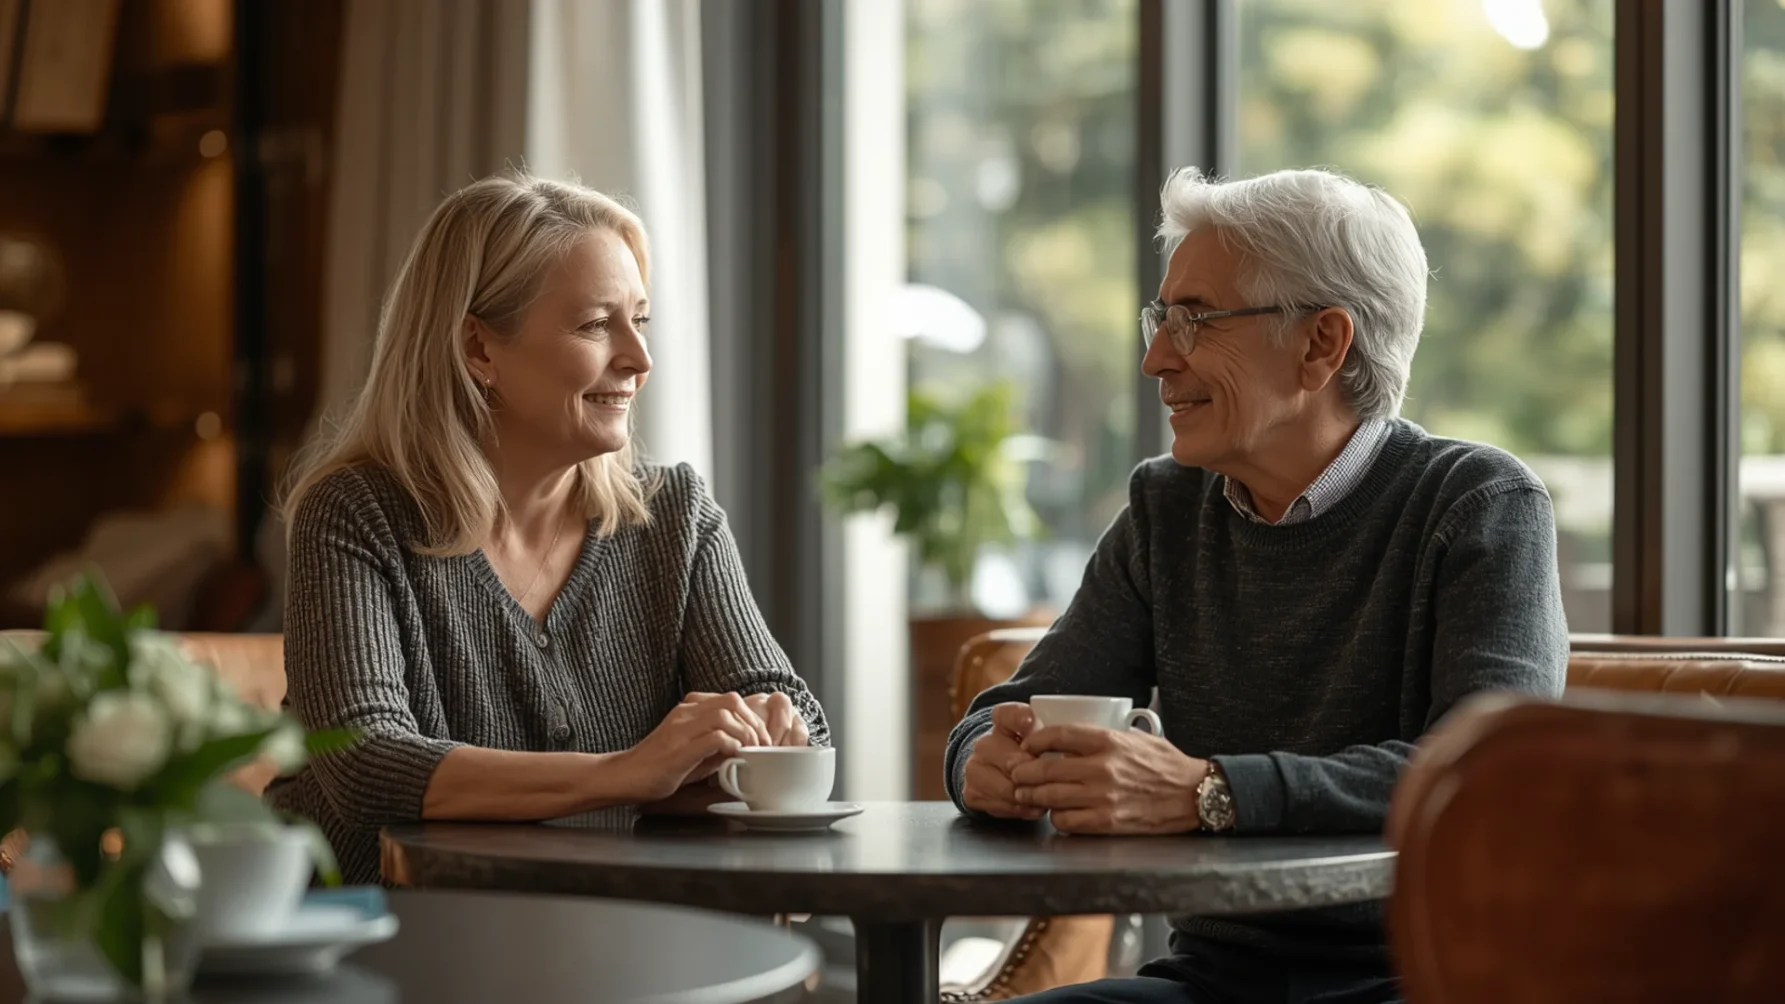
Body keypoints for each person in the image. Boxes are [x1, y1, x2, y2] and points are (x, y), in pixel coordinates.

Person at [945, 167, 1568, 1004]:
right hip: (1213, 981)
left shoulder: (1477, 505)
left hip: (1431, 980)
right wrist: (979, 761)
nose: (1154, 358)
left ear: (1322, 343)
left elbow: (1491, 779)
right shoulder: (1165, 507)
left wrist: (1210, 791)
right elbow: (1015, 708)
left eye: (1193, 320)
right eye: (1159, 318)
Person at [269, 174, 827, 885]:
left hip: (610, 943)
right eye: (596, 325)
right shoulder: (355, 512)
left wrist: (761, 739)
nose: (639, 359)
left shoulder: (674, 515)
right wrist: (629, 775)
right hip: (382, 950)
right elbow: (365, 762)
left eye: (640, 320)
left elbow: (792, 713)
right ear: (479, 350)